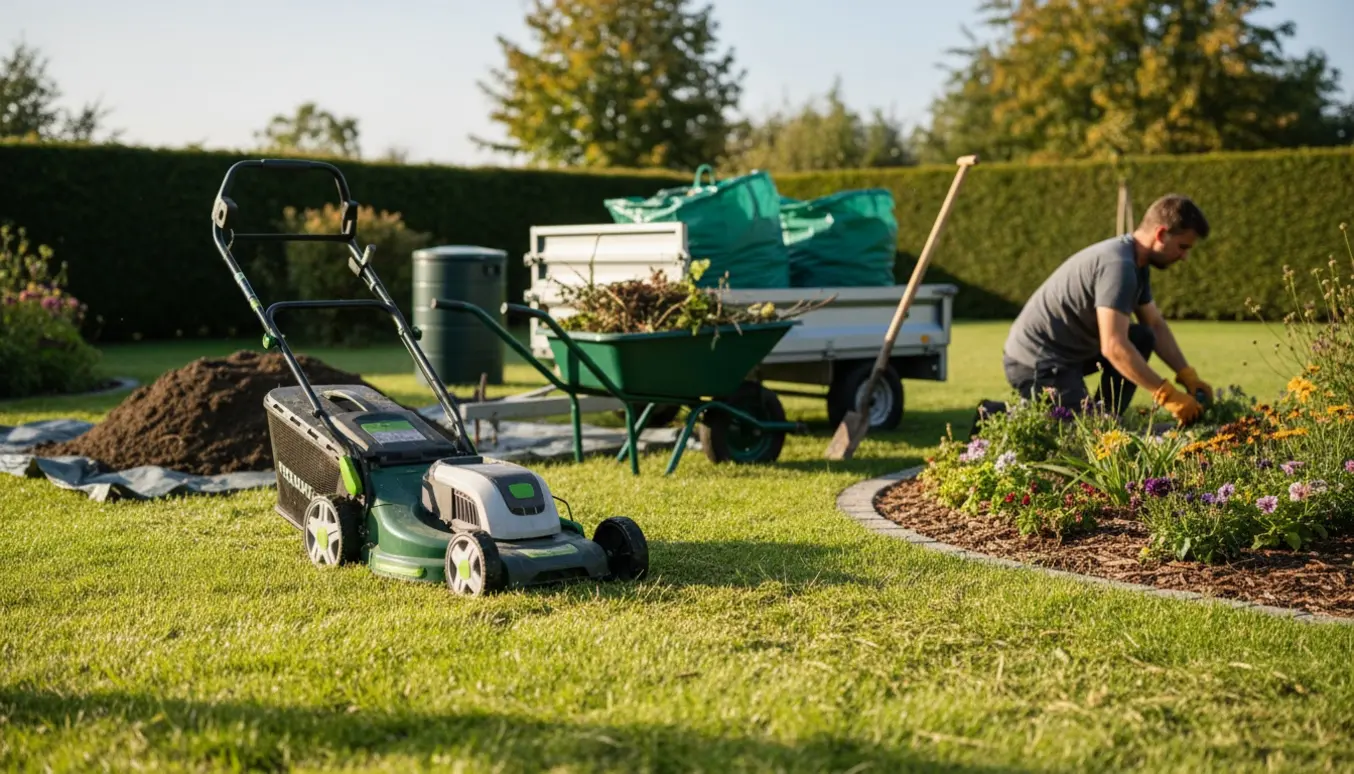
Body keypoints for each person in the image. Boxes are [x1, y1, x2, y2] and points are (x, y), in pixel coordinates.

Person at [1000, 193, 1214, 426]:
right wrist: (1167, 395)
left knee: (1143, 337)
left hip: (1070, 355)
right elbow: (1113, 346)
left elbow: (1153, 324)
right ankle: (994, 414)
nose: (1184, 257)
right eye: (1182, 247)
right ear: (1161, 234)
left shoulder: (1136, 264)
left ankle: (1107, 421)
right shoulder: (1118, 266)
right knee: (1079, 440)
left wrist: (1186, 375)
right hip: (1036, 361)